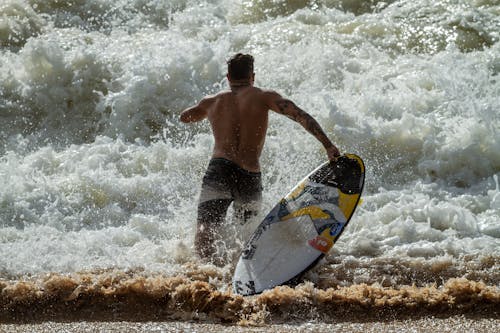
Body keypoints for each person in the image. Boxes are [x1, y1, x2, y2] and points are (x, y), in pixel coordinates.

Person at [180, 53, 340, 264]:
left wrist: (204, 108)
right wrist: (328, 145)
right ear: (252, 76)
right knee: (247, 235)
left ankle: (204, 276)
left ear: (228, 77)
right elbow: (301, 116)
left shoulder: (213, 101)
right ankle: (241, 275)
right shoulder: (265, 96)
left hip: (219, 171)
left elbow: (185, 117)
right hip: (249, 175)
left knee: (206, 229)